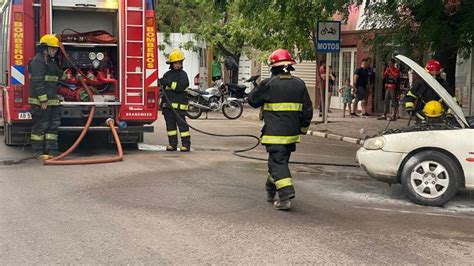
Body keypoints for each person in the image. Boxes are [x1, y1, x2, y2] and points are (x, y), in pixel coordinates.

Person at [248, 48, 313, 211]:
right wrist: (303, 128)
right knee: (278, 163)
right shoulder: (300, 84)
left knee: (277, 163)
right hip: (291, 135)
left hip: (274, 134)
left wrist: (258, 88)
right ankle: (270, 190)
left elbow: (252, 101)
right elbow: (308, 111)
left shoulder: (268, 84)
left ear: (273, 67)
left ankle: (285, 196)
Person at [28, 34, 63, 160]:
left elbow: (58, 75)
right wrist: (43, 100)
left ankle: (52, 151)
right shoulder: (38, 61)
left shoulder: (51, 62)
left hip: (52, 101)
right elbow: (37, 82)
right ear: (44, 49)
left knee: (53, 126)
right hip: (41, 102)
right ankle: (37, 152)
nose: (55, 51)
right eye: (52, 49)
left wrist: (68, 76)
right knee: (40, 126)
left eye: (56, 49)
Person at [404, 59, 455, 123]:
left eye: (436, 75)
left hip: (440, 115)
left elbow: (453, 100)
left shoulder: (443, 84)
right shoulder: (420, 83)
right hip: (422, 114)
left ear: (439, 73)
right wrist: (409, 107)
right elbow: (410, 96)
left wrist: (450, 113)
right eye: (431, 74)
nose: (434, 77)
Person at [159, 49, 191, 152]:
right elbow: (162, 90)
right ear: (171, 64)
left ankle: (186, 145)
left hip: (179, 108)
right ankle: (172, 144)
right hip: (168, 107)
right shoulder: (167, 74)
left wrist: (167, 83)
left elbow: (180, 87)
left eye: (179, 63)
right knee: (170, 127)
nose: (178, 65)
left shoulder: (183, 75)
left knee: (183, 127)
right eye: (176, 63)